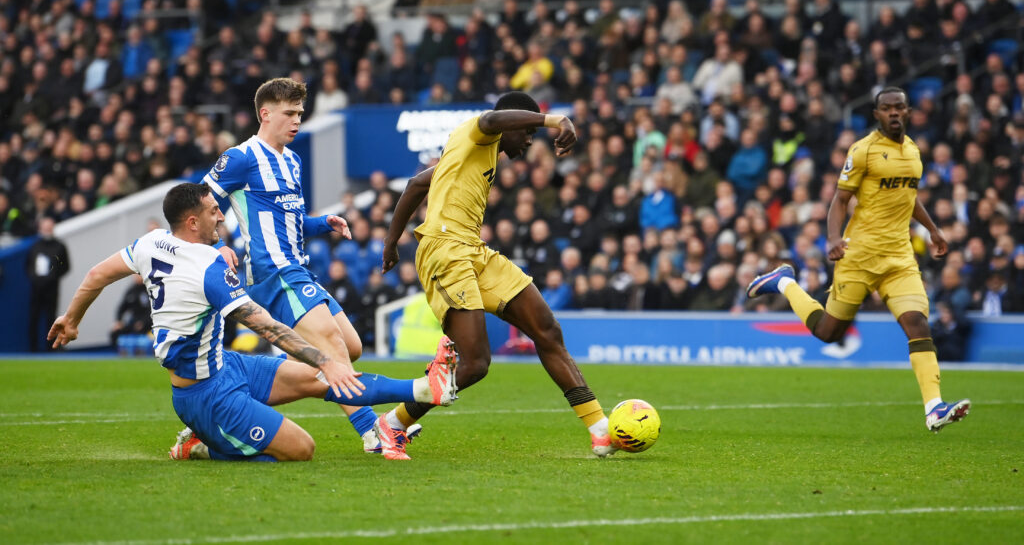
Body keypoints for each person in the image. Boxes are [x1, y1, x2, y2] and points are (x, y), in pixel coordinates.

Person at [47, 183, 457, 462]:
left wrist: (71, 318)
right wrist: (322, 357)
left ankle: (424, 389)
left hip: (227, 365)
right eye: (213, 213)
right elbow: (264, 325)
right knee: (302, 448)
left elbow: (97, 274)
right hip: (204, 395)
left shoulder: (151, 242)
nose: (221, 219)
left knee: (323, 379)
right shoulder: (206, 268)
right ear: (192, 222)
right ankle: (203, 444)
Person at [380, 91, 618, 460]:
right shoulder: (476, 132)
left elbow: (416, 186)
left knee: (547, 330)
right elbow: (491, 120)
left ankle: (599, 427)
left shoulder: (475, 155)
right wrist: (555, 120)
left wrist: (391, 242)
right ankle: (393, 424)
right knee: (475, 365)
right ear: (517, 121)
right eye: (526, 132)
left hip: (474, 251)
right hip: (444, 250)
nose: (528, 141)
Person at [201, 77, 412, 457]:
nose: (297, 121)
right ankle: (372, 430)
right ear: (265, 114)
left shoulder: (293, 160)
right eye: (289, 113)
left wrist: (320, 224)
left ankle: (236, 400)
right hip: (273, 272)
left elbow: (290, 218)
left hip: (298, 268)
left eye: (300, 113)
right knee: (331, 346)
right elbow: (199, 201)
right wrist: (217, 245)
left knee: (350, 346)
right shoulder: (240, 158)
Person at [746, 87, 970, 433]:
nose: (894, 113)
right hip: (859, 256)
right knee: (828, 332)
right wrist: (834, 238)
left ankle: (934, 407)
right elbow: (839, 199)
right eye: (887, 108)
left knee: (917, 323)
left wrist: (933, 230)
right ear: (877, 113)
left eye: (899, 108)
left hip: (899, 257)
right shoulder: (863, 150)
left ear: (907, 111)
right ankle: (785, 282)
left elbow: (908, 197)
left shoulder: (913, 151)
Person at [25, 217, 70, 352]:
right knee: (34, 317)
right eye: (45, 227)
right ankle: (33, 348)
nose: (47, 230)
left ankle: (52, 348)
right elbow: (28, 266)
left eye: (49, 227)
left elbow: (65, 266)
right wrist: (35, 278)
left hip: (52, 288)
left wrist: (53, 276)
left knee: (52, 317)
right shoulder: (35, 246)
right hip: (36, 288)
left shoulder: (60, 246)